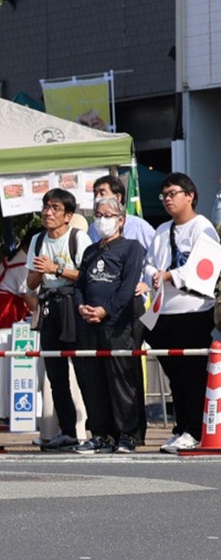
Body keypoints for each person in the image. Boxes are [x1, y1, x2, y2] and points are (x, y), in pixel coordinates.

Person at [145, 173, 218, 450]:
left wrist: (168, 276)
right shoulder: (162, 230)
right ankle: (181, 426)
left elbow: (203, 268)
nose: (167, 200)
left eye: (172, 193)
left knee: (192, 373)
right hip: (163, 311)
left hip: (194, 309)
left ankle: (194, 430)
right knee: (174, 375)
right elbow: (149, 262)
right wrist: (155, 274)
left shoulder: (203, 227)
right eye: (163, 195)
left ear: (190, 195)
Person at [75, 195, 148, 453]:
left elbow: (128, 287)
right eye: (99, 215)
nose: (102, 220)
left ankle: (127, 434)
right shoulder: (90, 251)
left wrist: (106, 310)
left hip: (118, 325)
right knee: (93, 382)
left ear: (120, 220)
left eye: (108, 215)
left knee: (122, 382)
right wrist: (82, 306)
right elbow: (80, 285)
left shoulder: (131, 248)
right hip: (89, 325)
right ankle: (101, 434)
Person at [28, 189, 90, 451]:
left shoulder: (79, 238)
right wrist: (41, 271)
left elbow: (87, 276)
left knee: (85, 371)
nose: (48, 212)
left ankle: (95, 429)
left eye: (55, 208)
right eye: (45, 207)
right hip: (49, 306)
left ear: (68, 215)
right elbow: (30, 283)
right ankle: (67, 431)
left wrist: (57, 269)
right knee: (55, 374)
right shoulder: (38, 240)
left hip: (73, 306)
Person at [92, 173, 157, 256]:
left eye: (102, 193)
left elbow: (157, 252)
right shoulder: (93, 228)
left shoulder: (138, 226)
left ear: (118, 198)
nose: (97, 198)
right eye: (95, 194)